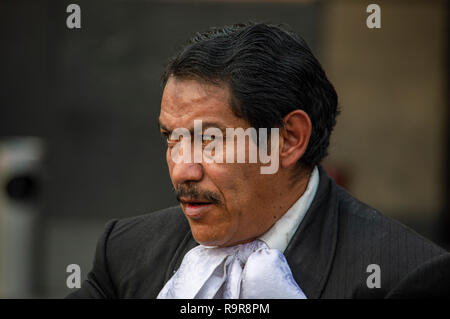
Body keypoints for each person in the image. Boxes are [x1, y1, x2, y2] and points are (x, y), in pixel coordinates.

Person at [66, 22, 448, 299]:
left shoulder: (405, 276)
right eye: (171, 138)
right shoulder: (125, 251)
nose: (182, 169)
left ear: (289, 139)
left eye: (210, 140)